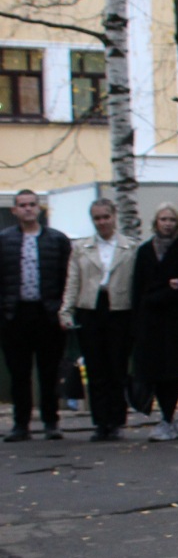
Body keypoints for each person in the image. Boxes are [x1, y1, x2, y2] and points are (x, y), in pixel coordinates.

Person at [60, 199, 137, 441]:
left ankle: (116, 420)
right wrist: (66, 310)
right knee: (95, 368)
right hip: (90, 309)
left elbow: (137, 281)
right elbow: (73, 281)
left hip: (120, 309)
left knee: (117, 366)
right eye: (97, 218)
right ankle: (100, 422)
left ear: (114, 216)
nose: (102, 222)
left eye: (106, 217)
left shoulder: (130, 247)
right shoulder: (82, 248)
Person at [2, 189, 72, 441]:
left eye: (32, 204)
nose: (28, 209)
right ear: (14, 210)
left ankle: (51, 421)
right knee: (18, 372)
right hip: (15, 314)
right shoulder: (5, 240)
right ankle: (21, 424)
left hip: (48, 314)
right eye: (23, 205)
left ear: (40, 208)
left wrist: (63, 309)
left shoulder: (56, 240)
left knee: (49, 371)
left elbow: (67, 277)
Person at [131, 203, 178, 441]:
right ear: (156, 222)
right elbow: (140, 290)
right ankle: (164, 418)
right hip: (149, 322)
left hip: (175, 322)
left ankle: (169, 418)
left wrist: (162, 291)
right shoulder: (145, 251)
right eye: (163, 219)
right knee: (154, 370)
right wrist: (165, 288)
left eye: (171, 219)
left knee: (173, 372)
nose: (167, 223)